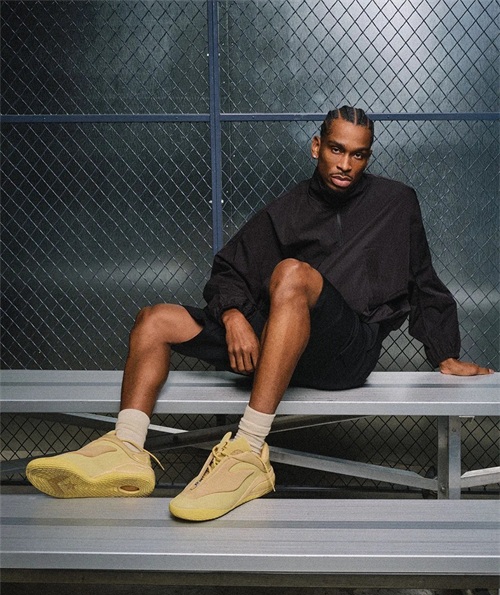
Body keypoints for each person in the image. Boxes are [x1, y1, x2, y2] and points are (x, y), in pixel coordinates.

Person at [26, 106, 493, 520]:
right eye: (336, 150)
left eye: (358, 155)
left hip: (347, 351)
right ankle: (126, 448)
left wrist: (444, 354)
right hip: (280, 343)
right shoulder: (287, 209)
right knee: (155, 318)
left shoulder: (395, 202)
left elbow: (423, 279)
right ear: (316, 146)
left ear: (367, 157)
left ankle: (248, 450)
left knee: (292, 273)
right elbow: (229, 269)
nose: (345, 164)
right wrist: (233, 316)